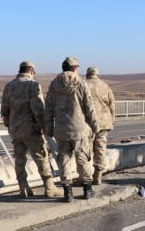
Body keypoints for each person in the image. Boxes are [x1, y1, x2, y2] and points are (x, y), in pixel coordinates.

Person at [1, 61, 63, 198]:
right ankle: (49, 187)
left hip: (15, 129)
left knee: (19, 159)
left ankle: (23, 187)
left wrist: (9, 125)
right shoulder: (32, 85)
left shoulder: (9, 86)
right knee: (41, 156)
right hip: (31, 128)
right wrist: (43, 127)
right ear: (32, 71)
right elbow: (38, 108)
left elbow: (4, 109)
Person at [45, 57, 99, 202]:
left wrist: (48, 128)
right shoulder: (80, 83)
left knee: (64, 160)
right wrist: (95, 126)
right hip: (79, 129)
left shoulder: (54, 84)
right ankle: (87, 190)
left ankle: (67, 192)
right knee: (83, 159)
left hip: (61, 129)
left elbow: (48, 108)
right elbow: (89, 107)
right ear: (74, 68)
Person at [85, 66, 115, 185]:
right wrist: (112, 120)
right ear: (98, 75)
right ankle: (98, 175)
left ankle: (86, 176)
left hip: (86, 123)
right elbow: (112, 105)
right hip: (103, 123)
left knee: (86, 151)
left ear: (87, 75)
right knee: (100, 149)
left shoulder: (83, 84)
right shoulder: (105, 86)